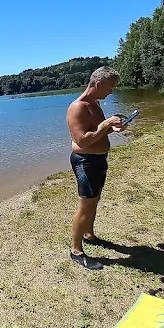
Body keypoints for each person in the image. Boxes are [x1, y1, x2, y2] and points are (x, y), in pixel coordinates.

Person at [66, 66, 123, 270]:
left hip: (99, 159)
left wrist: (112, 128)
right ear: (98, 84)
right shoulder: (78, 107)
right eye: (110, 86)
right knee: (86, 205)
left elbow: (97, 133)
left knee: (94, 200)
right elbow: (82, 140)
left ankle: (89, 234)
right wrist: (105, 124)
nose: (112, 91)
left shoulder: (95, 104)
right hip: (85, 161)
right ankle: (76, 250)